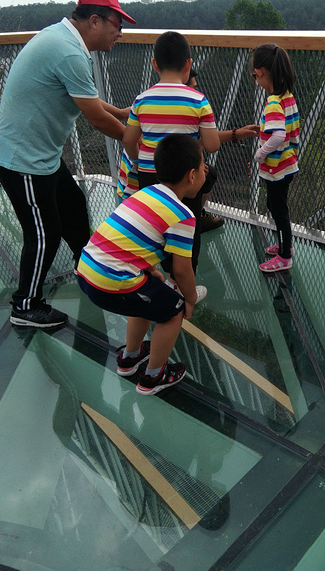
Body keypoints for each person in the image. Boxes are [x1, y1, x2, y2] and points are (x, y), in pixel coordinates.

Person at [0, 0, 135, 329]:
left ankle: (87, 268)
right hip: (22, 160)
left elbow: (86, 98)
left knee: (73, 205)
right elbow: (93, 116)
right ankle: (25, 306)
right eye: (117, 24)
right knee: (45, 231)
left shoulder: (63, 39)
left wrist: (120, 113)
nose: (120, 32)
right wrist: (133, 141)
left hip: (39, 155)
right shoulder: (70, 52)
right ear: (95, 20)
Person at [122, 31, 258, 281]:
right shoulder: (198, 101)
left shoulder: (141, 100)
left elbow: (129, 140)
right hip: (186, 178)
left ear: (155, 64)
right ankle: (183, 285)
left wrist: (139, 161)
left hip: (150, 178)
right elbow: (212, 144)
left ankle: (162, 276)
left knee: (156, 229)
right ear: (188, 64)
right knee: (186, 233)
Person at [77, 134, 205, 395]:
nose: (205, 173)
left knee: (146, 296)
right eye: (204, 169)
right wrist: (189, 299)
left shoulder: (145, 194)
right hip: (112, 283)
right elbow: (182, 269)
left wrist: (152, 271)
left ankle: (130, 357)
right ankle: (154, 376)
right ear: (192, 176)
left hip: (86, 271)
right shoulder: (183, 215)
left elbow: (129, 240)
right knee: (173, 312)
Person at [251, 44, 300, 273]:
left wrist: (260, 153)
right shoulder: (287, 96)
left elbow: (278, 134)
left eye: (254, 75)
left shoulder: (273, 101)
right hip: (288, 164)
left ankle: (284, 255)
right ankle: (284, 243)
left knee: (279, 210)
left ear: (260, 72)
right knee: (275, 204)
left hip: (277, 167)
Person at [187, 67, 224, 233]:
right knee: (206, 175)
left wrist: (236, 134)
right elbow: (212, 144)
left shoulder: (147, 100)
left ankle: (196, 216)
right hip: (178, 170)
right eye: (194, 87)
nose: (197, 91)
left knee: (208, 172)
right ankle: (194, 219)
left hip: (149, 172)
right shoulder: (197, 103)